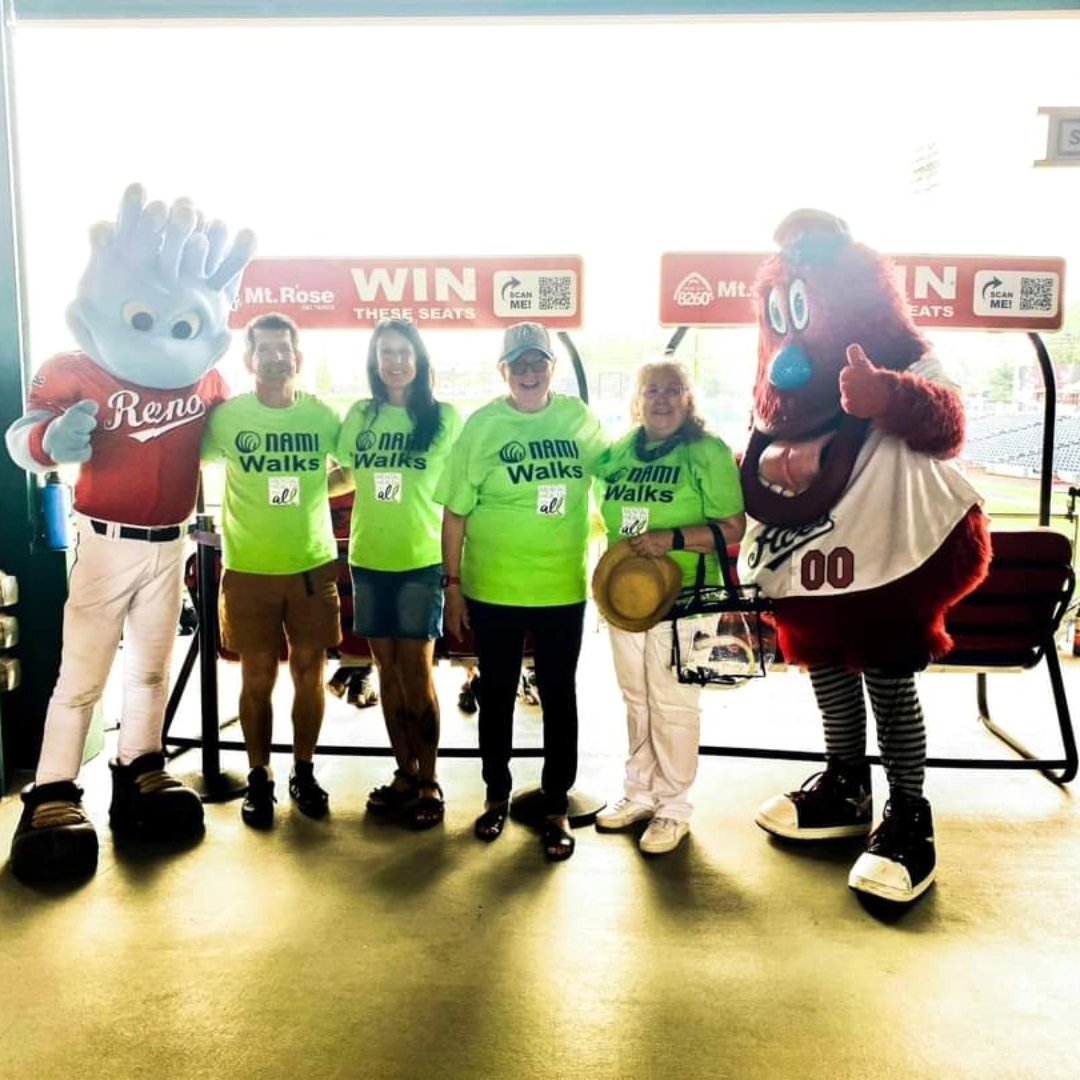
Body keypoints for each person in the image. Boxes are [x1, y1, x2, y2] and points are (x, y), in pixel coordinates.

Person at [4, 185, 254, 882]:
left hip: (170, 540)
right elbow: (22, 441)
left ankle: (140, 764)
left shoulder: (207, 384)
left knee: (152, 666)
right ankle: (54, 788)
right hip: (104, 538)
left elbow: (230, 442)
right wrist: (52, 438)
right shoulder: (75, 369)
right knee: (82, 670)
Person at [740, 210, 990, 905]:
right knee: (822, 659)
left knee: (885, 669)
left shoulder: (907, 357)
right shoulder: (781, 401)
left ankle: (909, 811)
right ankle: (847, 780)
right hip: (820, 555)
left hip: (889, 553)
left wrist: (888, 395)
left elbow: (948, 425)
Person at [437, 321, 608, 861]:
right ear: (503, 370)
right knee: (497, 696)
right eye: (519, 364)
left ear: (552, 369)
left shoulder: (579, 420)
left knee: (559, 697)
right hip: (494, 588)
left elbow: (617, 480)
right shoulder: (482, 426)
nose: (529, 372)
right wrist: (455, 587)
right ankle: (495, 795)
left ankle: (556, 806)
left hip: (561, 587)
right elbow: (455, 513)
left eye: (538, 362)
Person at [593, 361, 745, 854]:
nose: (661, 400)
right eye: (651, 391)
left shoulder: (708, 451)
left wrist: (672, 537)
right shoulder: (619, 451)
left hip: (685, 597)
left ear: (688, 399)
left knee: (673, 702)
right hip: (627, 596)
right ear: (637, 400)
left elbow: (733, 528)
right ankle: (639, 792)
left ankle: (674, 807)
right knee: (635, 696)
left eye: (672, 391)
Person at [200, 312, 343, 829]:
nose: (277, 357)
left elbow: (353, 467)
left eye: (285, 349)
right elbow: (191, 460)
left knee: (310, 673)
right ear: (250, 359)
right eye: (266, 350)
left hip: (311, 568)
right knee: (256, 676)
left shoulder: (322, 416)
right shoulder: (229, 418)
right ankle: (259, 778)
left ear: (297, 357)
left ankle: (303, 771)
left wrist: (316, 491)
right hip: (248, 570)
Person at [336, 318, 462, 829]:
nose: (395, 361)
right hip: (367, 561)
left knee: (417, 672)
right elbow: (345, 474)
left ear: (420, 359)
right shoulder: (361, 415)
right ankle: (404, 772)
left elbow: (461, 490)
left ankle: (429, 778)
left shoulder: (444, 417)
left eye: (404, 353)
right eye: (386, 353)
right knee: (386, 672)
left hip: (420, 562)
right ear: (375, 361)